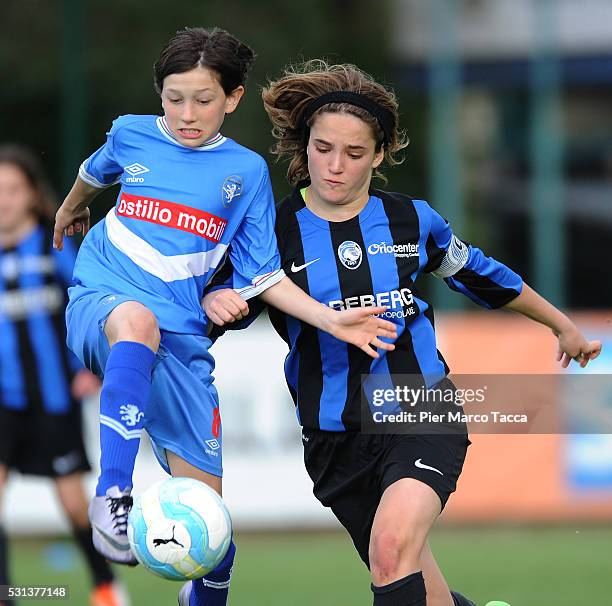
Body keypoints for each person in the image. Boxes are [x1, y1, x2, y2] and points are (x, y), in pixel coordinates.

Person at [202, 60, 602, 606]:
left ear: (380, 154)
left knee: (391, 550)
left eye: (354, 153)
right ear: (305, 145)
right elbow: (221, 308)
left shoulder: (413, 221)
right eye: (323, 149)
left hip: (420, 405)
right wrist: (212, 299)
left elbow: (482, 275)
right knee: (415, 584)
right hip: (332, 435)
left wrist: (561, 325)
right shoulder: (271, 233)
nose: (335, 166)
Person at [53, 29, 396, 606]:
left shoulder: (246, 174)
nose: (187, 114)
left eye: (204, 100)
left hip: (182, 344)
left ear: (233, 98)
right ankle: (113, 494)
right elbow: (97, 168)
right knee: (136, 322)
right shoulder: (130, 133)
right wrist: (69, 209)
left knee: (212, 537)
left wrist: (331, 320)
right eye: (173, 98)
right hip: (105, 301)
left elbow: (262, 274)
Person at [0, 145, 129, 606]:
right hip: (3, 400)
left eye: (13, 189)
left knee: (73, 502)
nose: (4, 200)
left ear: (33, 194)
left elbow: (85, 307)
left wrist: (88, 368)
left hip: (54, 398)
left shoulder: (52, 246)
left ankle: (105, 585)